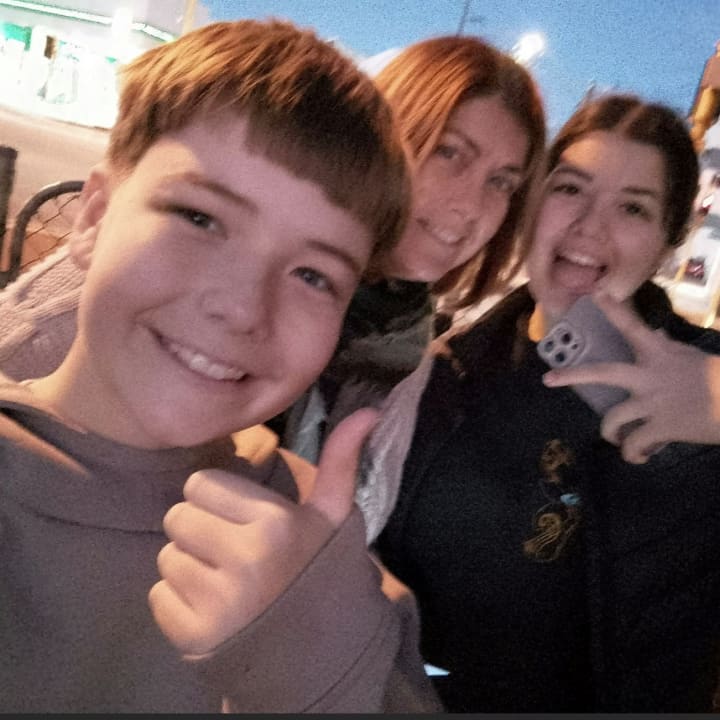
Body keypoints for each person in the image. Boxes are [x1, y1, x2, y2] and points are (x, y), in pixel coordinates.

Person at [0, 18, 444, 713]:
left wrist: (318, 677)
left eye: (313, 275)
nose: (243, 309)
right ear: (92, 218)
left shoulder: (321, 561)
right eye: (200, 219)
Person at [358, 93, 720, 712]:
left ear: (669, 241)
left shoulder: (702, 378)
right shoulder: (443, 371)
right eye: (570, 189)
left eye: (633, 207)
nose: (589, 227)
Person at [275, 34, 546, 462]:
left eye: (500, 181)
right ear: (387, 133)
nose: (470, 205)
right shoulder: (266, 292)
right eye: (449, 152)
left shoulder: (427, 367)